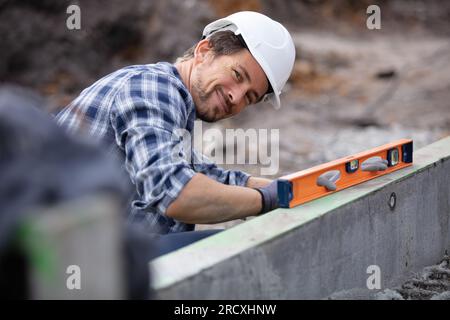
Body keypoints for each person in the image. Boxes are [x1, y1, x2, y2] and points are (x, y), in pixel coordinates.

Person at [55, 11, 296, 253]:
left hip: (83, 253)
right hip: (68, 263)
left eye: (250, 96)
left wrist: (295, 190)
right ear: (204, 52)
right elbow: (173, 191)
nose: (237, 96)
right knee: (236, 250)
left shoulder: (172, 104)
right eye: (237, 75)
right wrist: (266, 201)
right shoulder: (153, 88)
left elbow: (210, 176)